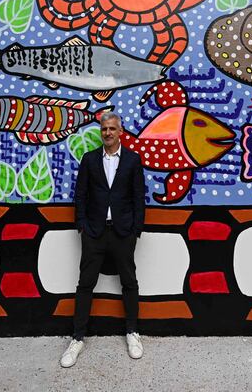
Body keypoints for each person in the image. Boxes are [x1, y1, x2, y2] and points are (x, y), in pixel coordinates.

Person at [60, 112, 146, 368]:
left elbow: (138, 197)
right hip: (94, 233)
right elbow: (81, 195)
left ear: (121, 131)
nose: (107, 133)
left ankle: (132, 333)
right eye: (104, 129)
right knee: (85, 284)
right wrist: (81, 226)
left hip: (122, 233)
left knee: (129, 282)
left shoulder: (132, 160)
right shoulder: (89, 160)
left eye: (112, 129)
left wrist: (135, 230)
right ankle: (77, 338)